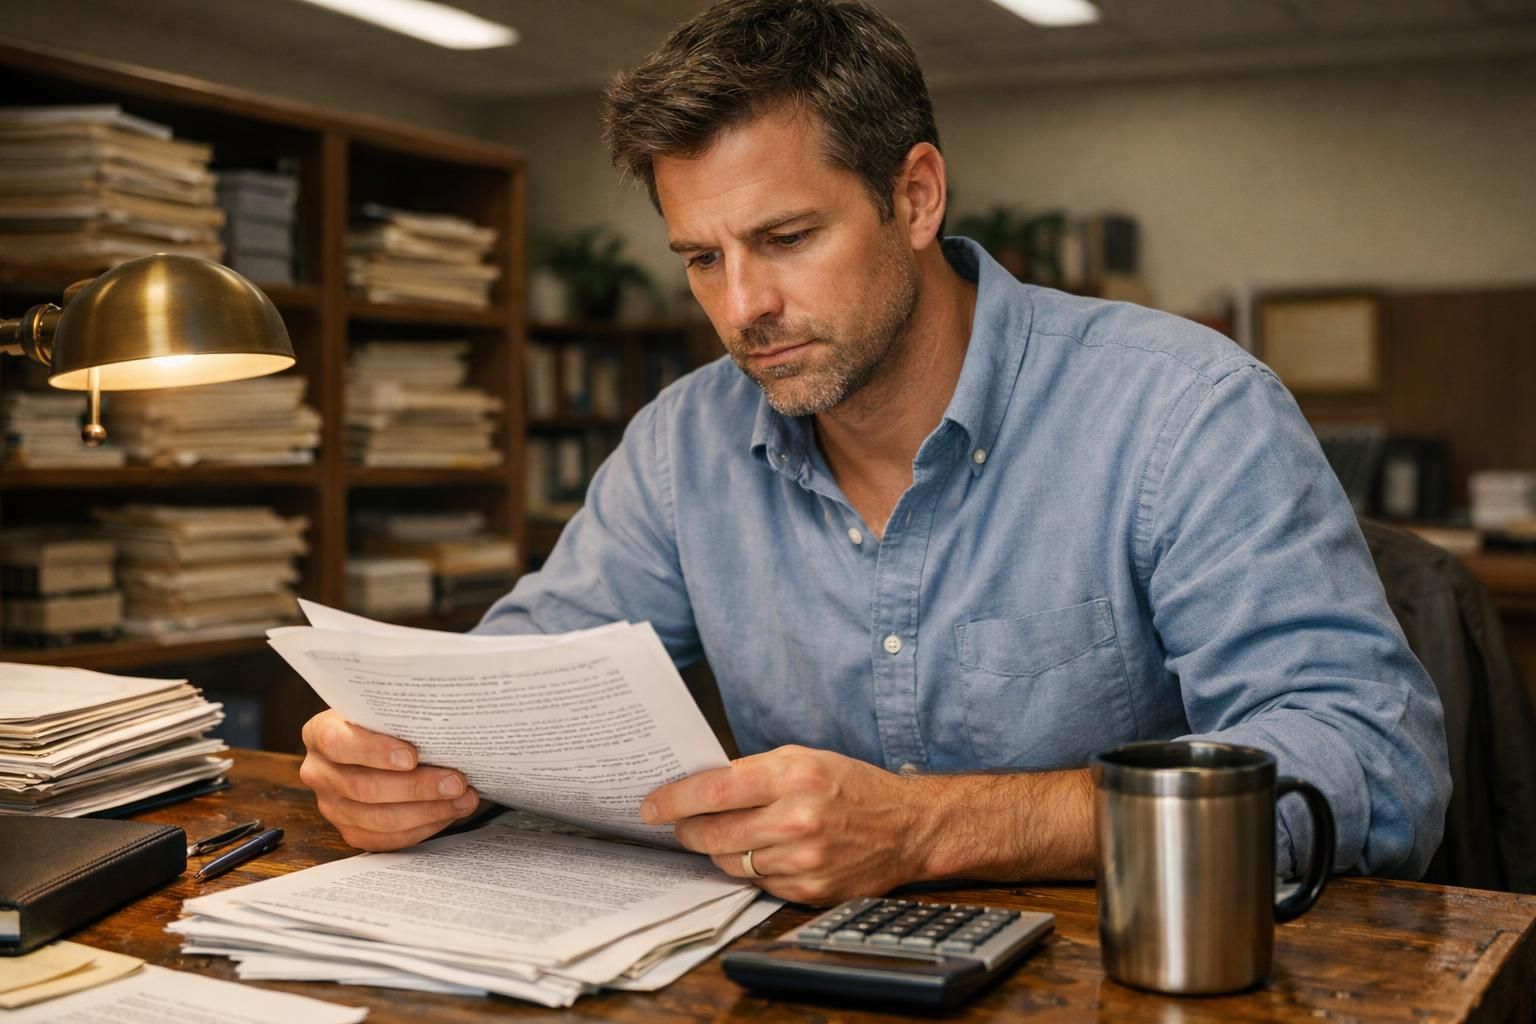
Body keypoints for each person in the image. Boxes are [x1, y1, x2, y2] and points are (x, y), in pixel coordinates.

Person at [300, 0, 1449, 906]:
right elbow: (521, 686)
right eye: (701, 258)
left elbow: (1367, 767)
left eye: (787, 238)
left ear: (915, 195)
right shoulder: (684, 443)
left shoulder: (1184, 410)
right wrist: (408, 764)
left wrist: (931, 828)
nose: (743, 306)